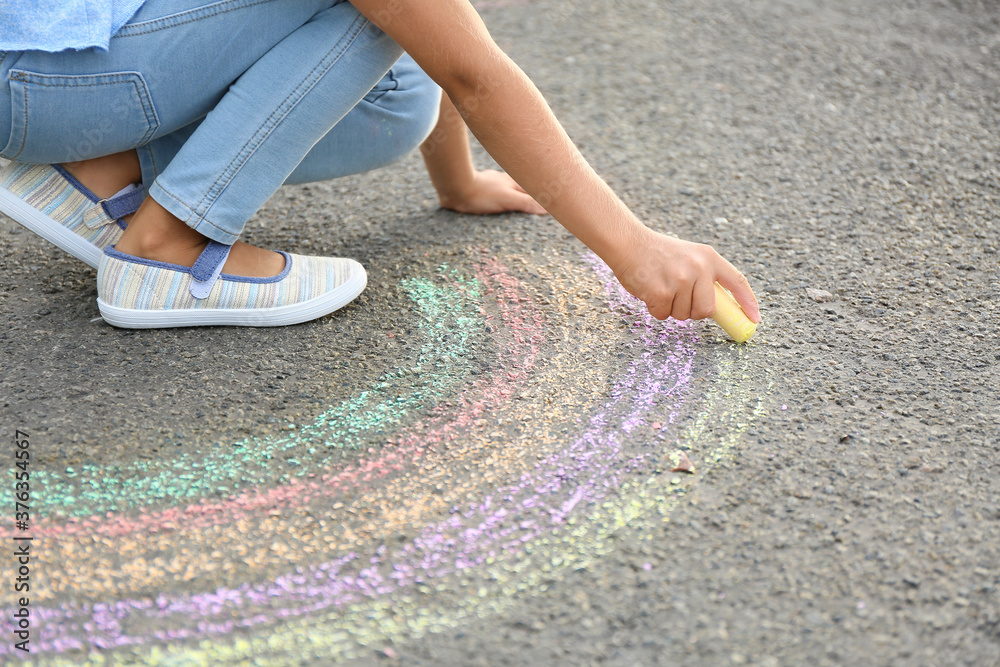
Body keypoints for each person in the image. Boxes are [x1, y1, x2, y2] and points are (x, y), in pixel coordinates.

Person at [0, 0, 760, 330]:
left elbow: (441, 40)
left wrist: (457, 183)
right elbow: (472, 70)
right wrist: (635, 248)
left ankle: (104, 166)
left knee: (397, 104)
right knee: (378, 18)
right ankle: (165, 246)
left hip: (55, 63)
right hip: (38, 76)